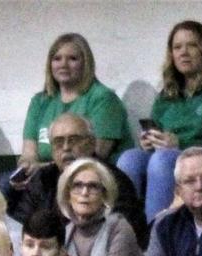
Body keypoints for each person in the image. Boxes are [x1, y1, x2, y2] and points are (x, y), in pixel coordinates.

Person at [118, 20, 202, 222]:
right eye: (177, 47)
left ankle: (157, 232)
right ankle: (125, 229)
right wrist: (150, 142)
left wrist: (181, 145)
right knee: (130, 158)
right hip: (165, 157)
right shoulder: (167, 94)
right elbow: (159, 138)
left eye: (192, 45)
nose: (184, 52)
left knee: (163, 160)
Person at [6, 113, 147, 246]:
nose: (66, 147)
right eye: (59, 142)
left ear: (92, 143)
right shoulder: (42, 179)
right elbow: (21, 226)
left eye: (74, 140)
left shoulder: (113, 181)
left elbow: (123, 235)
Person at [17, 33, 131, 172]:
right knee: (6, 183)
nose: (63, 64)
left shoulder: (104, 98)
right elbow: (29, 153)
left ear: (86, 63)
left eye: (72, 59)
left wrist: (41, 169)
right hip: (44, 175)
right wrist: (26, 166)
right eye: (57, 59)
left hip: (90, 174)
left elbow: (94, 155)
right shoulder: (39, 102)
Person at [57, 158, 140, 256]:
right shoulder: (65, 232)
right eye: (77, 186)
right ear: (67, 194)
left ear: (105, 195)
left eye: (93, 187)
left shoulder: (119, 228)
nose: (84, 192)